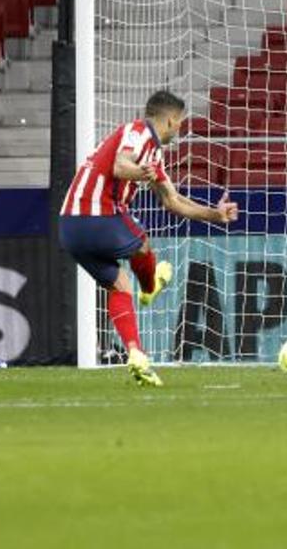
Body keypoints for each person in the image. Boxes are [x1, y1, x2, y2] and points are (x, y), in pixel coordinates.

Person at [59, 90, 238, 386]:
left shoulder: (155, 153)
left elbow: (172, 201)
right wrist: (140, 172)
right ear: (169, 120)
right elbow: (120, 165)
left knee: (118, 285)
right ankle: (151, 287)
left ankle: (136, 354)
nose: (180, 128)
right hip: (95, 214)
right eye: (180, 122)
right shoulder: (137, 132)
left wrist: (215, 215)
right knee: (141, 242)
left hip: (69, 228)